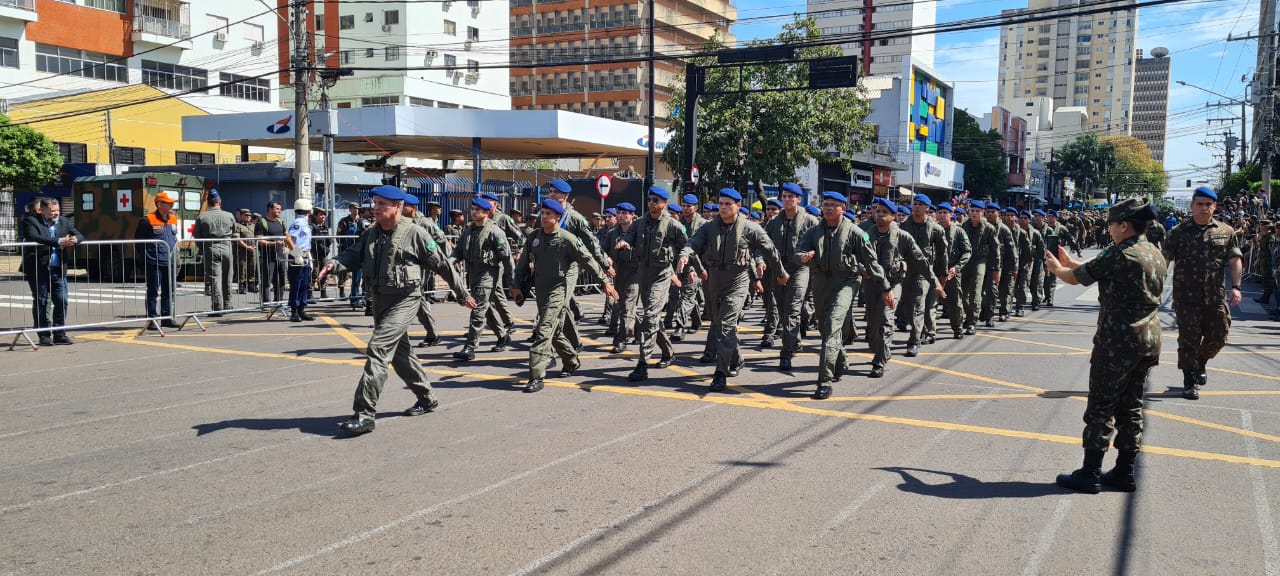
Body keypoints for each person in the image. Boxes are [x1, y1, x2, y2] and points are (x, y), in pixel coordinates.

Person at [315, 185, 476, 436]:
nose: (376, 209)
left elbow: (443, 265)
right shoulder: (371, 234)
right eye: (375, 203)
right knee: (401, 355)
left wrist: (462, 293)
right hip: (380, 300)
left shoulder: (415, 234)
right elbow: (352, 255)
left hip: (405, 300)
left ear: (398, 207)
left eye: (382, 204)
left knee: (378, 348)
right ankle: (427, 397)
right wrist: (333, 264)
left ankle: (364, 414)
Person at [1044, 198, 1165, 494]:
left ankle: (1090, 472)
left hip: (1117, 343)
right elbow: (1092, 270)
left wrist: (1057, 268)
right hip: (1147, 340)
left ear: (1124, 225)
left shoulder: (1120, 252)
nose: (1109, 228)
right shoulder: (1153, 252)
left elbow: (1074, 279)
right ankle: (1124, 472)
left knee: (1101, 406)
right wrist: (1070, 262)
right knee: (1131, 406)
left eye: (1111, 224)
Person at [679, 188, 788, 392]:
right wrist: (685, 254)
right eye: (720, 203)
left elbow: (770, 250)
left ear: (738, 206)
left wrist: (781, 273)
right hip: (714, 279)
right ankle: (737, 359)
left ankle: (720, 373)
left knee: (727, 325)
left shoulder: (750, 228)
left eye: (727, 204)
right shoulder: (710, 227)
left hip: (738, 280)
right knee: (720, 324)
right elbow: (693, 242)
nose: (723, 207)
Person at [513, 199, 619, 393]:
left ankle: (536, 375)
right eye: (542, 213)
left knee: (543, 328)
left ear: (558, 218)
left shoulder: (567, 239)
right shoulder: (535, 238)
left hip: (559, 289)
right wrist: (517, 287)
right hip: (542, 288)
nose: (543, 217)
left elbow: (587, 260)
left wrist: (604, 282)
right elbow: (522, 265)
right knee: (553, 330)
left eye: (548, 214)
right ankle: (571, 360)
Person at [796, 192, 884, 398]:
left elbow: (871, 261)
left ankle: (824, 381)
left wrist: (886, 287)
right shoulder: (813, 231)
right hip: (821, 282)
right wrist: (803, 257)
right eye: (825, 204)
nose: (827, 208)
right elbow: (798, 252)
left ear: (843, 208)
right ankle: (842, 360)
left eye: (833, 205)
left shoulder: (856, 232)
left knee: (834, 325)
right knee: (824, 327)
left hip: (847, 282)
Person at [1163, 187, 1244, 400]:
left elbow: (1235, 260)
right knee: (1188, 340)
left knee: (1219, 335)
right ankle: (1189, 381)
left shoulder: (1226, 232)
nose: (1204, 208)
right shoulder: (1178, 232)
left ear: (1215, 207)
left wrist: (1236, 287)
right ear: (1192, 205)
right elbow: (1165, 261)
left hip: (1214, 296)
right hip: (1185, 297)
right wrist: (1155, 286)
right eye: (1199, 204)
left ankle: (1200, 362)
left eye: (1208, 204)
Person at [864, 198, 943, 376]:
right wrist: (861, 269)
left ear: (893, 217)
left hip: (893, 283)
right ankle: (880, 350)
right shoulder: (867, 234)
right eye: (878, 211)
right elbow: (856, 255)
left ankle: (880, 361)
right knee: (873, 321)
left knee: (886, 317)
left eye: (885, 212)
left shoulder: (902, 236)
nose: (880, 215)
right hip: (871, 283)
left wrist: (935, 282)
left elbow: (921, 260)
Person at [616, 186, 688, 381]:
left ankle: (642, 363)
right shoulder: (639, 223)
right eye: (649, 199)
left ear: (664, 203)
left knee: (649, 316)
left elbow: (687, 246)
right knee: (653, 318)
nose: (651, 203)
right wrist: (625, 242)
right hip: (643, 273)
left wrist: (692, 267)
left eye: (656, 200)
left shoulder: (673, 225)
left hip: (662, 274)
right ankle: (668, 352)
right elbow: (629, 235)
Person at [762, 182, 818, 370]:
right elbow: (763, 243)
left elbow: (821, 244)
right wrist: (759, 260)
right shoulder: (773, 222)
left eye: (790, 197)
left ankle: (786, 353)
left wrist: (812, 256)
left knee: (793, 309)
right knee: (784, 310)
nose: (786, 200)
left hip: (800, 268)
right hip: (778, 269)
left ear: (798, 199)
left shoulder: (810, 221)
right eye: (784, 196)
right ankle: (795, 340)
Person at [451, 196, 514, 360]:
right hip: (473, 274)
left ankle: (470, 347)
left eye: (477, 210)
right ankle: (502, 336)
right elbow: (458, 250)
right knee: (487, 309)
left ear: (486, 212)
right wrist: (450, 261)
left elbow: (506, 258)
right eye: (472, 209)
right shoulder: (469, 230)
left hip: (488, 274)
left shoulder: (495, 231)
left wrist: (513, 281)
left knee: (478, 309)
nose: (474, 212)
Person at [21, 197, 83, 346]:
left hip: (58, 268)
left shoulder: (63, 221)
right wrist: (59, 241)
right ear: (42, 210)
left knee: (62, 301)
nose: (55, 214)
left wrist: (74, 240)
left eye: (57, 211)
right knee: (42, 302)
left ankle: (59, 333)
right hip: (39, 269)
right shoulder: (31, 221)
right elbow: (34, 237)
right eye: (52, 211)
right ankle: (44, 335)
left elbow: (80, 234)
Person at [898, 194, 948, 349]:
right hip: (906, 270)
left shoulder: (936, 229)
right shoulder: (904, 226)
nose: (916, 207)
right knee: (906, 307)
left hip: (924, 271)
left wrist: (943, 273)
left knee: (917, 306)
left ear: (927, 208)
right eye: (915, 204)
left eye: (920, 204)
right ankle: (925, 331)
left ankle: (914, 341)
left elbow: (942, 252)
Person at [135, 192, 180, 328]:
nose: (171, 205)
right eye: (168, 203)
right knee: (153, 291)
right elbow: (138, 241)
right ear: (159, 204)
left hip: (170, 261)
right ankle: (152, 319)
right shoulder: (147, 220)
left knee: (169, 291)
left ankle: (166, 318)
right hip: (154, 261)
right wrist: (146, 258)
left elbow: (173, 238)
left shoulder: (173, 219)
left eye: (172, 202)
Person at [192, 190, 237, 315]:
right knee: (228, 276)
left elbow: (197, 236)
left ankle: (217, 307)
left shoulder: (202, 217)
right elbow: (235, 232)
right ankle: (228, 304)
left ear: (208, 203)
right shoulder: (229, 215)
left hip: (211, 248)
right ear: (219, 202)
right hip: (227, 247)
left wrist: (203, 248)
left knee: (215, 279)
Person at [960, 201, 999, 334]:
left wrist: (996, 269)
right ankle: (968, 315)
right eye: (972, 211)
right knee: (962, 292)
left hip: (980, 260)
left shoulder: (989, 228)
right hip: (965, 260)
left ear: (982, 213)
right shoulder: (964, 226)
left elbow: (995, 250)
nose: (974, 213)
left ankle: (972, 322)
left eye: (977, 211)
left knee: (976, 291)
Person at [935, 204, 971, 339]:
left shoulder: (959, 231)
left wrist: (957, 267)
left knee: (955, 302)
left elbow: (967, 251)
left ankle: (957, 328)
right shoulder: (933, 229)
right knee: (931, 302)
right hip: (935, 270)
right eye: (940, 212)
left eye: (945, 212)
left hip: (952, 270)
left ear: (951, 214)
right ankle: (928, 332)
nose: (942, 215)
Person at [254, 201, 290, 308]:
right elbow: (258, 240)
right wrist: (274, 243)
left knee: (281, 279)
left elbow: (286, 236)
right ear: (270, 209)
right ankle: (265, 303)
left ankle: (279, 302)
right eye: (277, 209)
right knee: (266, 280)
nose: (279, 211)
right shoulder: (261, 222)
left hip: (281, 256)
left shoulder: (280, 222)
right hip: (267, 256)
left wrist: (288, 247)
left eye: (280, 209)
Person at [285, 198, 312, 322]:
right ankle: (294, 311)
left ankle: (302, 309)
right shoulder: (298, 223)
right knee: (296, 283)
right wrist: (296, 255)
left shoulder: (305, 223)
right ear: (308, 209)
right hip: (298, 255)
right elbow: (290, 239)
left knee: (305, 283)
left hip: (305, 255)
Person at [233, 208, 258, 294]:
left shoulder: (253, 225)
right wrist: (246, 246)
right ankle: (241, 285)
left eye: (249, 216)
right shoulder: (237, 225)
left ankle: (251, 284)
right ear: (242, 216)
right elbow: (237, 238)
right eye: (246, 215)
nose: (248, 217)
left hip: (253, 249)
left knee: (252, 266)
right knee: (242, 267)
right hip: (242, 250)